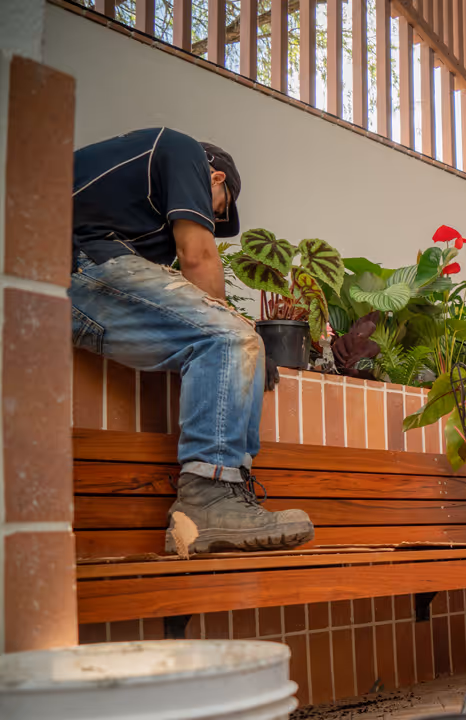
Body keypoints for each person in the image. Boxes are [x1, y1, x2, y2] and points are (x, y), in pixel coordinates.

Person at [70, 127, 314, 556]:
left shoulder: (138, 224)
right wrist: (236, 334)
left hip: (75, 287)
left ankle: (228, 494)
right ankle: (211, 496)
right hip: (78, 266)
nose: (212, 220)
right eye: (219, 212)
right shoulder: (180, 149)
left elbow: (177, 306)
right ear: (215, 178)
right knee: (230, 337)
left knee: (233, 342)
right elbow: (197, 257)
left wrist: (241, 349)